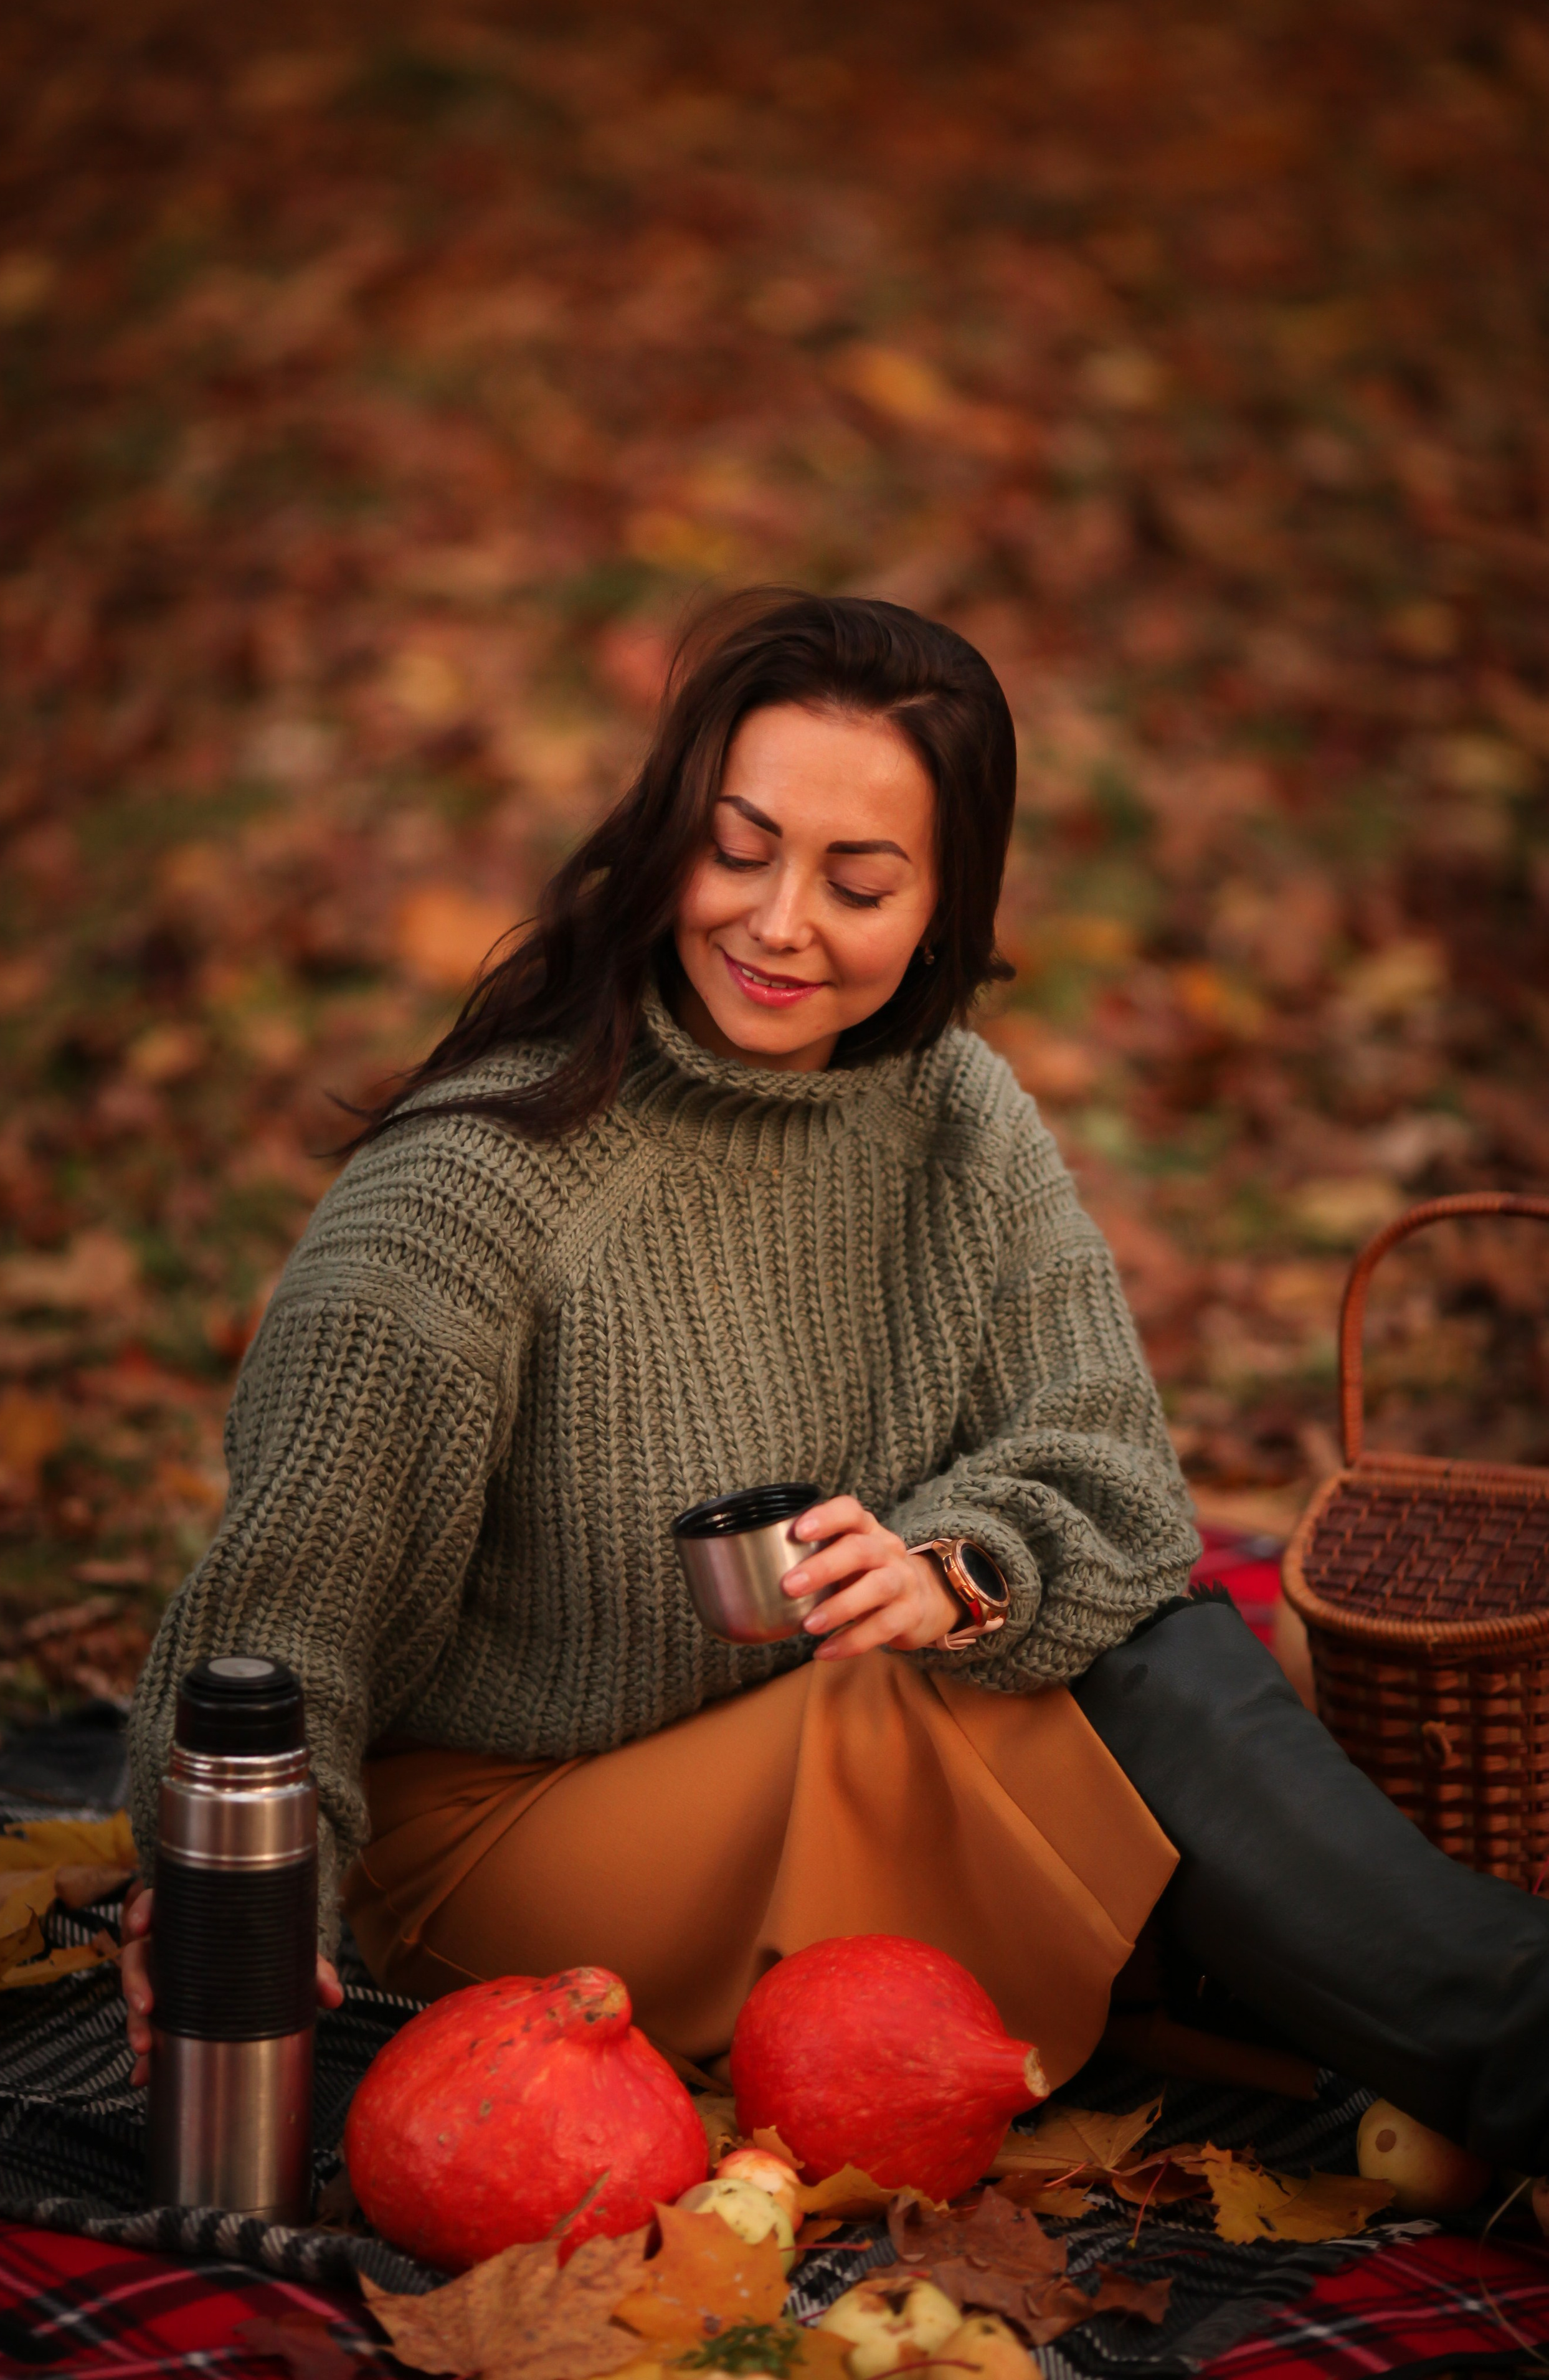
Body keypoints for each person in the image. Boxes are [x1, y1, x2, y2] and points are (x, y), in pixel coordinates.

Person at [123, 590, 1549, 2165]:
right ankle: (1504, 2038)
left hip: (800, 1729)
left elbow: (1110, 1478)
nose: (777, 920)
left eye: (856, 881)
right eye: (737, 849)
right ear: (668, 830)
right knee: (1084, 1690)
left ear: (942, 908)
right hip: (504, 1840)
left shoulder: (951, 1114)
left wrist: (957, 1569)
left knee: (1096, 1635)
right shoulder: (475, 1192)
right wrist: (225, 1925)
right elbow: (273, 1627)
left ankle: (1445, 2039)